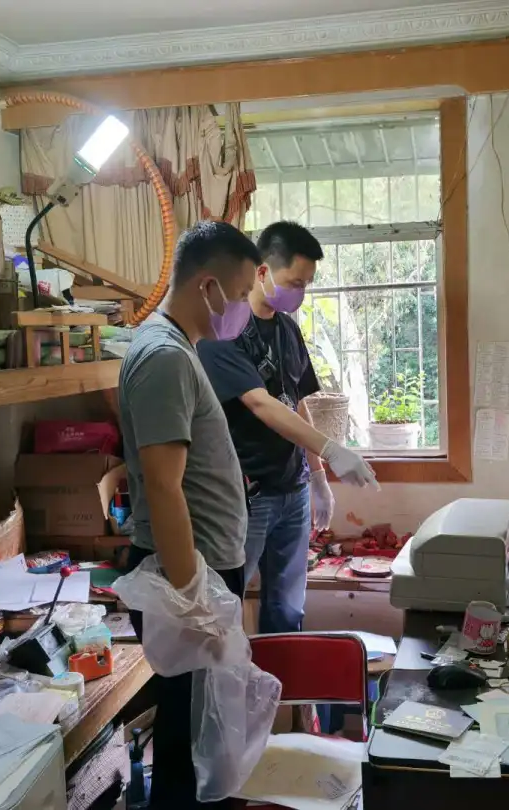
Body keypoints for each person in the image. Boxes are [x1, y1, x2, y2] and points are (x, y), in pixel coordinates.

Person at [117, 219, 259, 810]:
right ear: (207, 287)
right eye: (241, 293)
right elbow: (163, 486)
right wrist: (194, 600)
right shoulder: (165, 357)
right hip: (189, 577)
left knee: (201, 742)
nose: (243, 308)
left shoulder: (179, 349)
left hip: (202, 572)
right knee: (187, 751)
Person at [197, 220, 379, 636]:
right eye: (295, 282)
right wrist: (332, 449)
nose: (301, 293)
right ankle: (229, 677)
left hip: (292, 491)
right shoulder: (224, 331)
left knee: (288, 607)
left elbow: (296, 402)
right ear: (262, 271)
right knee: (225, 604)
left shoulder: (287, 329)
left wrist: (317, 475)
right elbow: (260, 403)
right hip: (247, 495)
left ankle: (285, 678)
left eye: (307, 284)